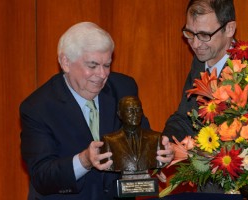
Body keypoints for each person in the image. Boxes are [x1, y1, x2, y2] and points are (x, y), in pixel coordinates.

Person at [20, 22, 173, 200]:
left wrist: (159, 158)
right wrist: (84, 160)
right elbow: (42, 176)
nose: (102, 75)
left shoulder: (124, 88)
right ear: (65, 62)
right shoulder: (38, 107)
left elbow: (141, 138)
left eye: (107, 65)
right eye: (92, 66)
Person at [162, 0, 236, 194]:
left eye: (204, 35)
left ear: (229, 29)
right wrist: (166, 145)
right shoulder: (199, 63)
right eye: (189, 33)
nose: (195, 44)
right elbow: (185, 118)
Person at [101, 96, 164, 172]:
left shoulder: (155, 138)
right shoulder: (109, 140)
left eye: (138, 110)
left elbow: (161, 164)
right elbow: (107, 166)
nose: (135, 114)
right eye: (130, 110)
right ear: (120, 114)